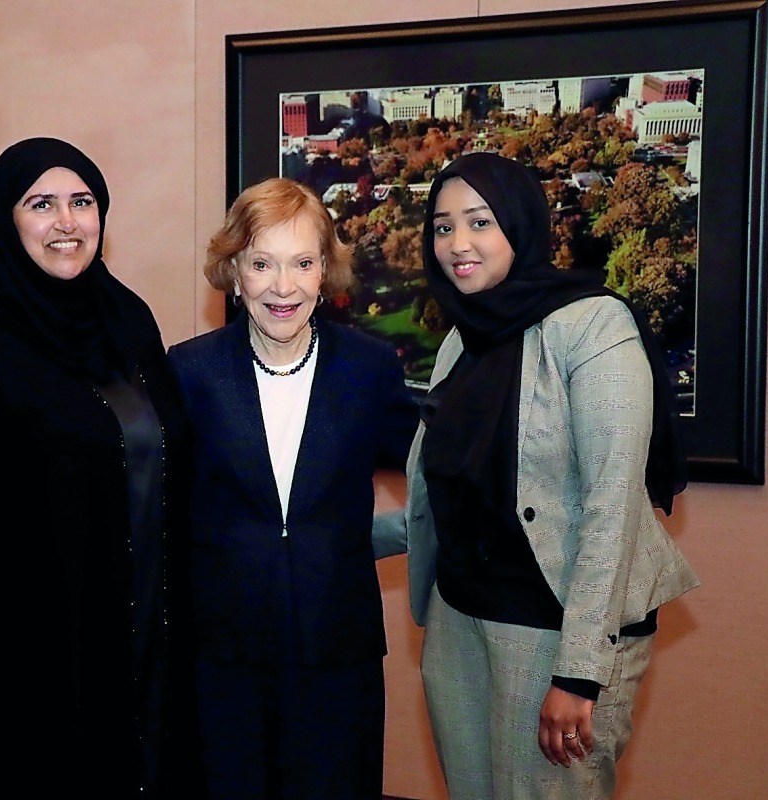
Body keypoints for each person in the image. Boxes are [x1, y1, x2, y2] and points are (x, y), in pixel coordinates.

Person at [0, 137, 198, 798]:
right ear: (5, 218)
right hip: (11, 659)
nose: (67, 221)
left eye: (82, 202)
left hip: (129, 639)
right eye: (41, 203)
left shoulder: (128, 321)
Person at [372, 152, 700, 799]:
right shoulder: (461, 341)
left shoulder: (593, 324)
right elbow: (456, 494)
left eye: (479, 222)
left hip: (557, 632)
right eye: (442, 227)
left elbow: (613, 507)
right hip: (460, 622)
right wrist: (323, 537)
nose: (457, 244)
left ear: (520, 225)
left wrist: (578, 675)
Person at [168, 177, 419, 799]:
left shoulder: (369, 370)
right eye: (262, 264)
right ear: (233, 271)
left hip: (339, 648)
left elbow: (439, 471)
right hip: (221, 650)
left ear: (325, 270)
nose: (283, 287)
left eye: (303, 263)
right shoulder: (187, 372)